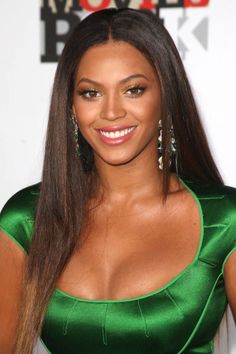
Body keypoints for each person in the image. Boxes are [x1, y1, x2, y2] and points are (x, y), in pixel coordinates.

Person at [0, 7, 235, 354]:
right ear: (70, 104)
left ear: (166, 95)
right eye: (91, 93)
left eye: (134, 90)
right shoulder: (25, 221)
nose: (111, 112)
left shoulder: (225, 222)